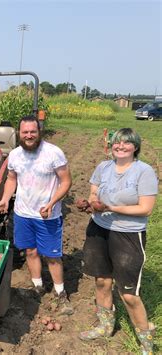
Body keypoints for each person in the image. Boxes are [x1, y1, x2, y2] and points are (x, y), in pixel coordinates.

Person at [79, 128, 158, 355]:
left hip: (128, 235)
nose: (120, 146)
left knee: (129, 293)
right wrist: (91, 203)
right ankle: (105, 327)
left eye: (126, 143)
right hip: (99, 230)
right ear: (111, 145)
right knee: (102, 281)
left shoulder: (143, 172)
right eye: (116, 143)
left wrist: (111, 207)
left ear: (135, 147)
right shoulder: (103, 168)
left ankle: (146, 344)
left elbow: (146, 208)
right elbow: (95, 194)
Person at [0, 115, 73, 315]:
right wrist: (5, 198)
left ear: (39, 132)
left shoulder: (53, 153)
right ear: (19, 134)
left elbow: (66, 182)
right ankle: (38, 286)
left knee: (52, 256)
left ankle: (60, 292)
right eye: (25, 132)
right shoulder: (14, 155)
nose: (29, 135)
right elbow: (11, 179)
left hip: (47, 215)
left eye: (33, 131)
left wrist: (51, 203)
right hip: (23, 213)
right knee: (30, 251)